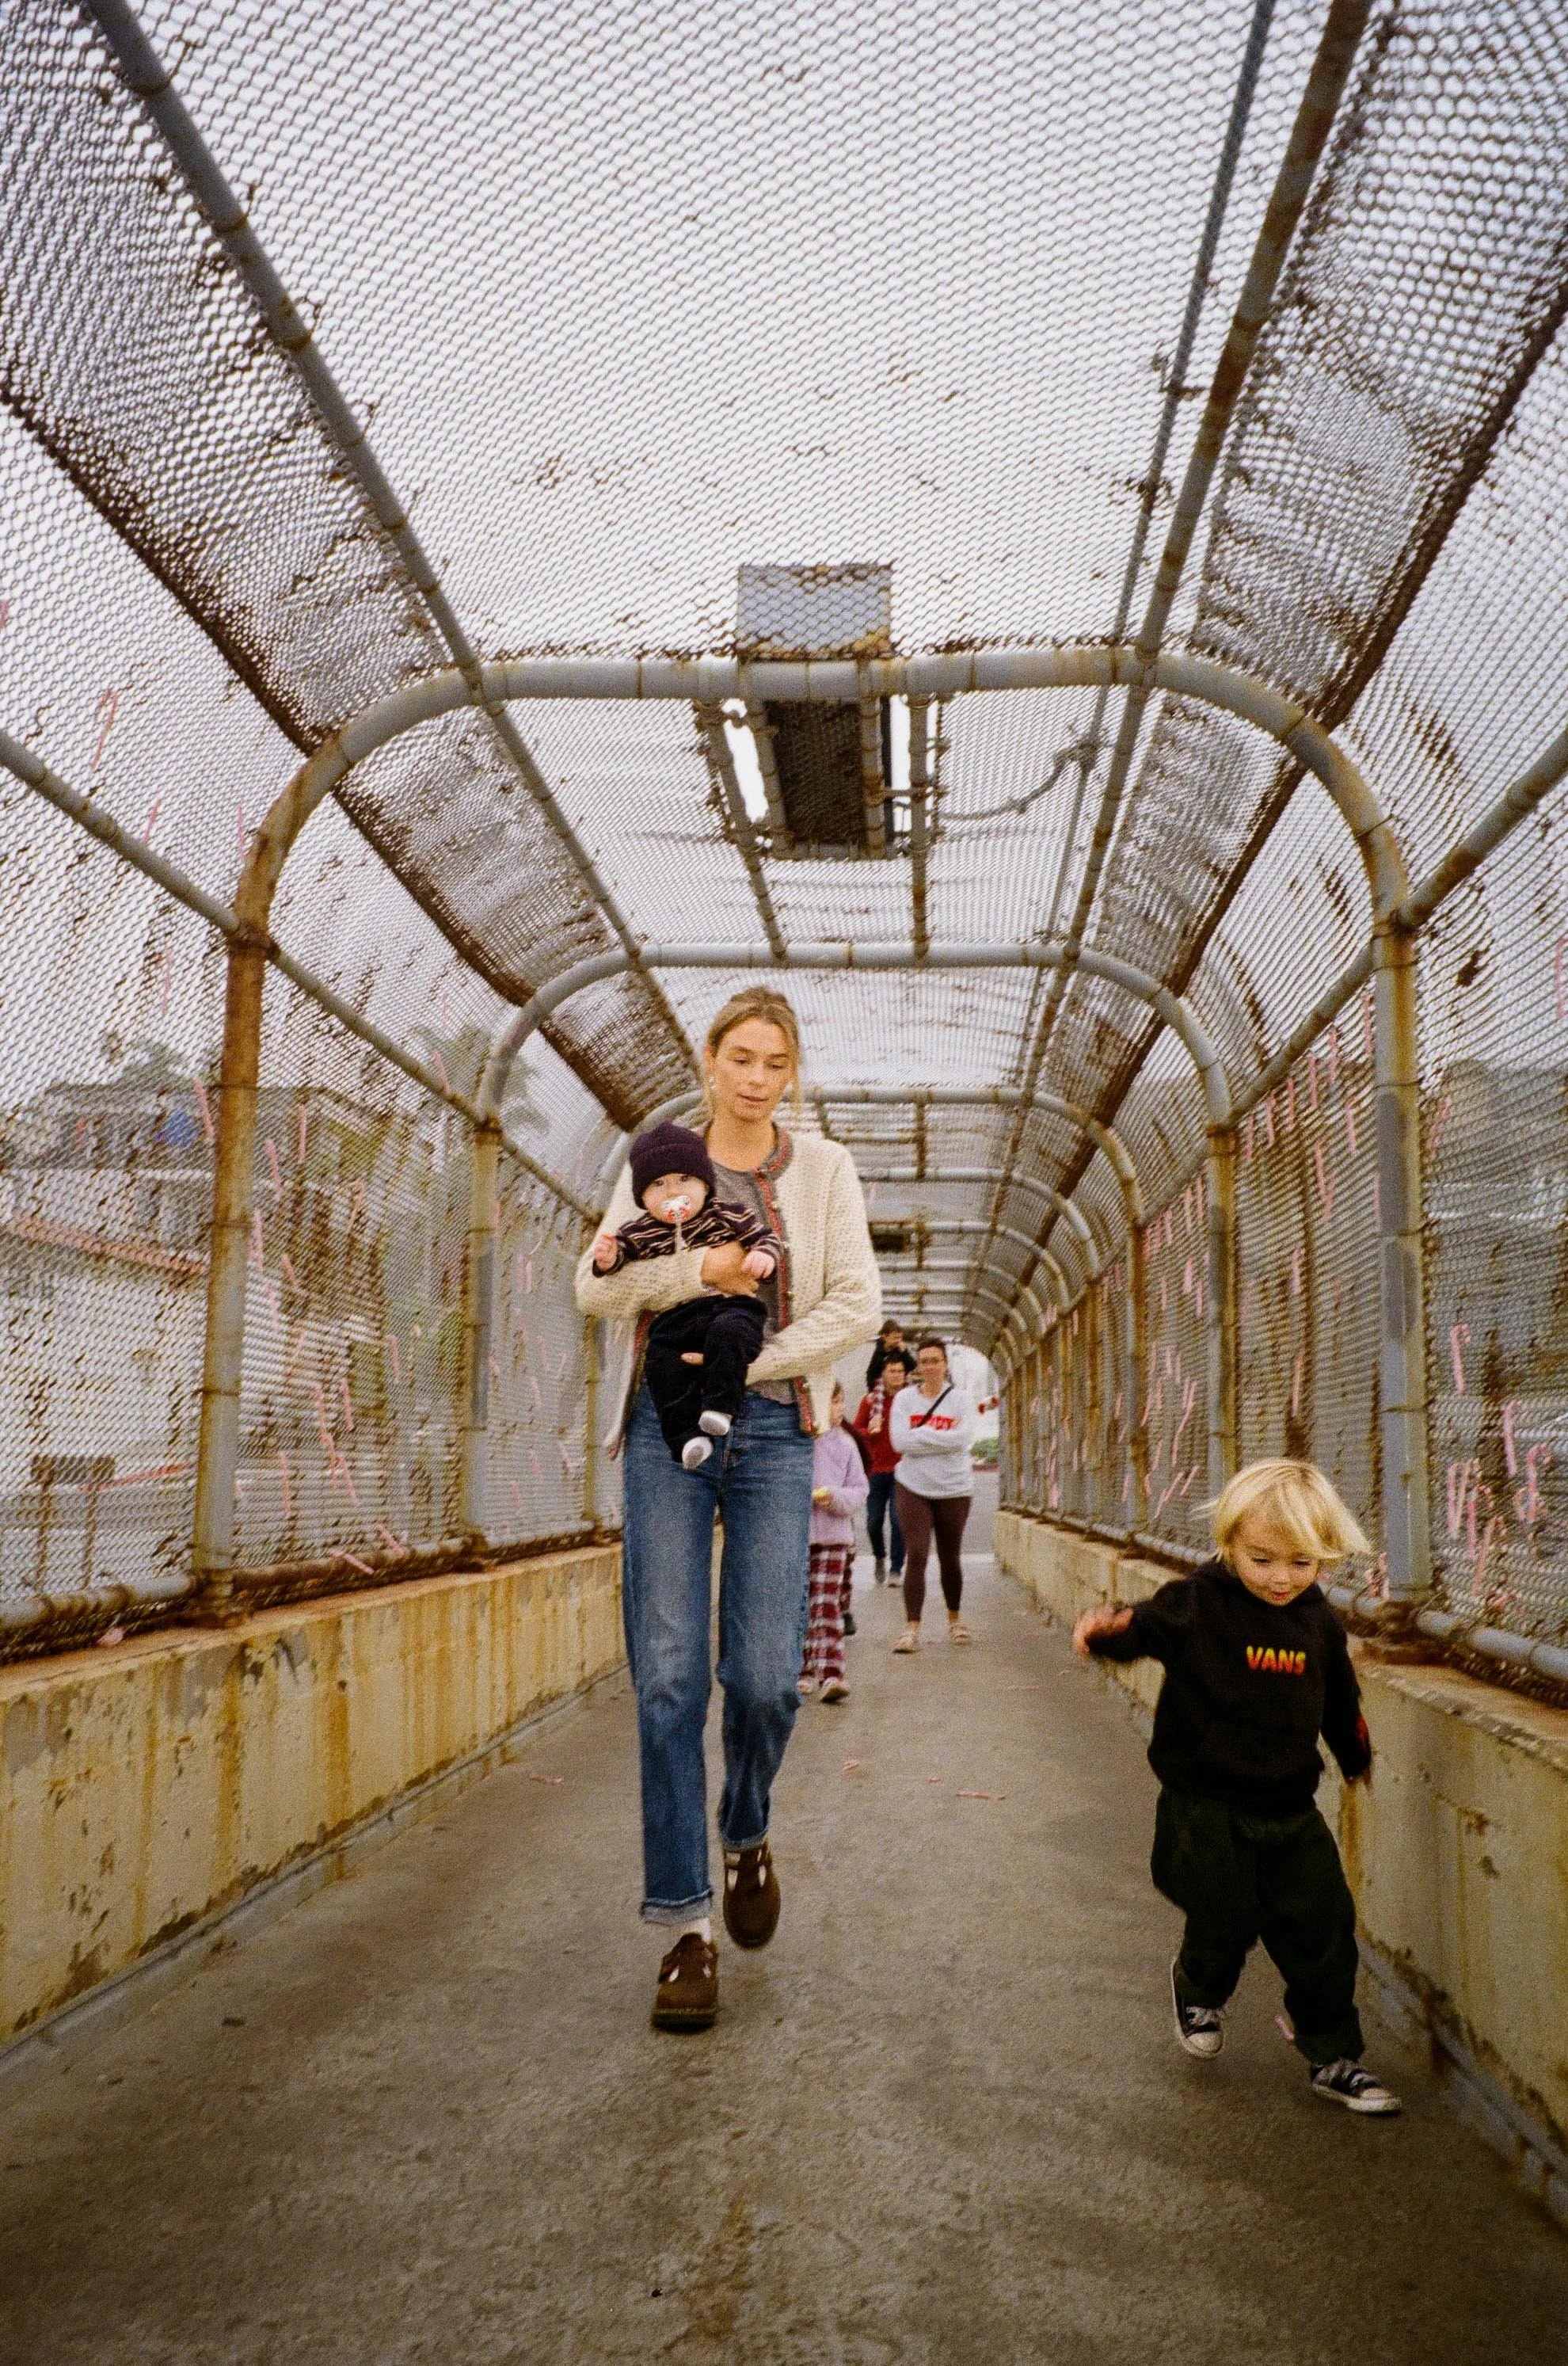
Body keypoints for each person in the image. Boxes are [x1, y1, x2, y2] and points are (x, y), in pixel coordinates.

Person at [575, 986, 880, 2033]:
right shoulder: (658, 1154)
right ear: (709, 1061)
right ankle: (685, 1928)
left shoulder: (827, 1169)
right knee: (667, 1675)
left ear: (790, 1071)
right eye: (739, 1056)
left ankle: (746, 1825)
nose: (756, 1075)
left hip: (777, 1430)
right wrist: (693, 1271)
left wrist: (742, 1368)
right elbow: (594, 1285)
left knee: (760, 1677)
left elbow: (855, 1304)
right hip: (666, 1431)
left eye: (774, 1060)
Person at [1072, 1457, 1401, 2116]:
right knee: (1225, 1917)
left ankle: (1333, 2053)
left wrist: (1355, 1753)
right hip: (1206, 1803)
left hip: (1289, 1805)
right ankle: (1197, 1985)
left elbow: (1340, 1699)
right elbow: (1143, 1628)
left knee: (1323, 1925)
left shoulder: (1318, 1624)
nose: (1282, 1577)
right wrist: (1106, 1633)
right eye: (1262, 1558)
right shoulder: (1198, 1602)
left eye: (1302, 1562)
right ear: (1229, 1543)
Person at [592, 1120, 780, 1470]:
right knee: (661, 1365)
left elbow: (766, 1237)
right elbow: (617, 1265)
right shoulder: (641, 1229)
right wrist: (608, 1258)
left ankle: (719, 1408)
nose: (672, 1192)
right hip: (676, 1318)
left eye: (684, 1180)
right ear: (642, 1197)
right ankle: (686, 1440)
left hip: (729, 1305)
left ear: (704, 1184)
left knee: (732, 1335)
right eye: (658, 1184)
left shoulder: (724, 1213)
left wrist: (763, 1255)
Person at [890, 1335, 977, 1653]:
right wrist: (941, 1436)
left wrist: (922, 1434)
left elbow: (964, 1439)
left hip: (954, 1487)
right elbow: (899, 1443)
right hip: (913, 1485)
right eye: (924, 1361)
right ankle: (912, 1627)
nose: (929, 1367)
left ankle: (955, 1619)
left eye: (935, 1361)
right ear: (917, 1365)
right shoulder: (904, 1401)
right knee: (916, 1553)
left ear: (945, 1364)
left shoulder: (962, 1400)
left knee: (950, 1556)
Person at [800, 1381, 868, 1704]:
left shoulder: (846, 1445)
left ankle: (831, 1673)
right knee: (797, 1605)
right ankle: (801, 1669)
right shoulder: (794, 1441)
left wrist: (835, 1497)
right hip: (795, 1536)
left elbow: (859, 1489)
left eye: (841, 1401)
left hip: (833, 1536)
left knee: (826, 1604)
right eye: (832, 1402)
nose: (839, 1408)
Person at [853, 1350, 909, 1586]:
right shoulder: (870, 1401)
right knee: (874, 1522)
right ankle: (879, 1556)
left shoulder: (910, 1399)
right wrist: (870, 1430)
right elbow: (856, 1431)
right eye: (891, 1371)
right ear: (883, 1374)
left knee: (898, 1521)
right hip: (876, 1470)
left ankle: (896, 1569)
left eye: (900, 1371)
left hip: (903, 1469)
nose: (896, 1375)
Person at [866, 1317, 908, 1393]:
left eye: (900, 1338)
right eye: (895, 1338)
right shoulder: (879, 1353)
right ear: (885, 1337)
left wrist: (904, 1352)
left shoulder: (900, 1349)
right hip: (882, 1388)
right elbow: (871, 1374)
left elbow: (911, 1366)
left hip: (900, 1385)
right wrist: (871, 1392)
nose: (898, 1341)